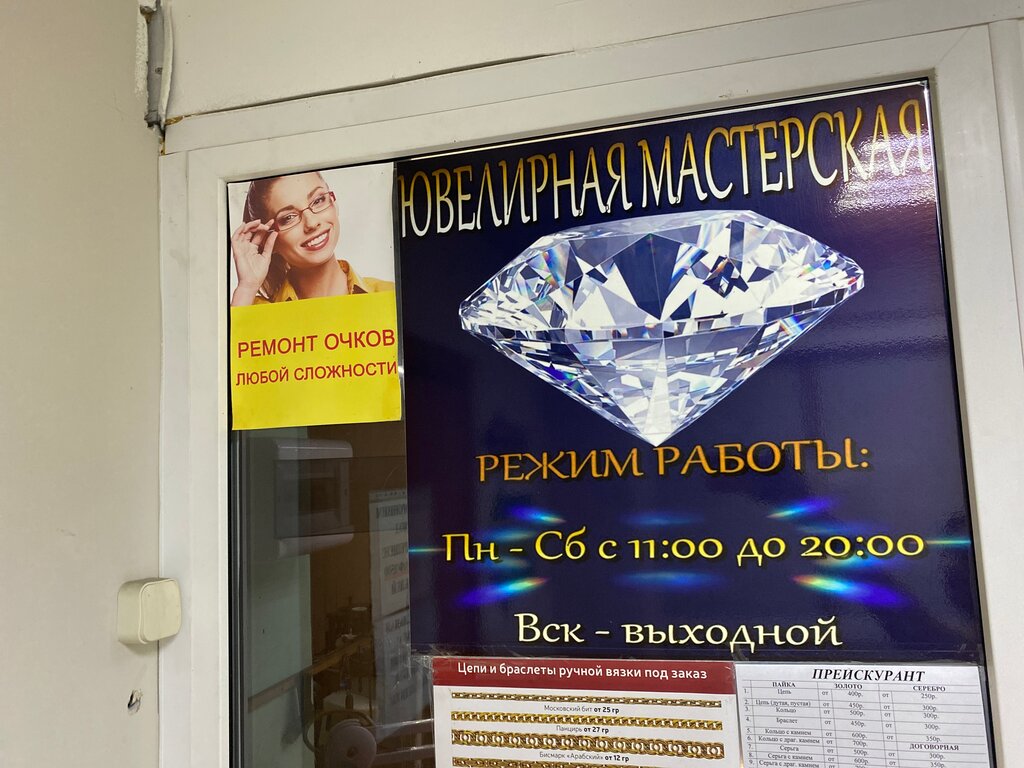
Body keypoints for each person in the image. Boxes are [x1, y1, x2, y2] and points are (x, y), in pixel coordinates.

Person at [230, 171, 394, 306]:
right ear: (268, 239)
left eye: (318, 200)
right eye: (288, 217)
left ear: (334, 203)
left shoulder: (390, 294)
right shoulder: (253, 310)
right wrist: (247, 286)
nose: (312, 223)